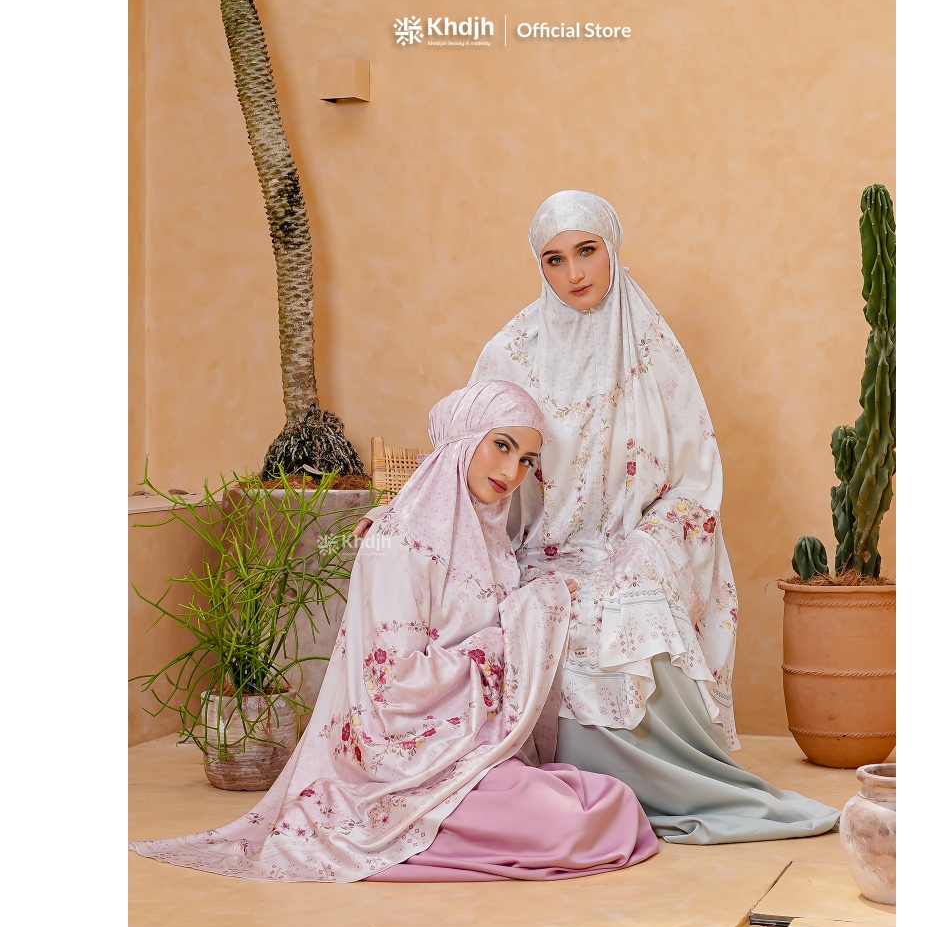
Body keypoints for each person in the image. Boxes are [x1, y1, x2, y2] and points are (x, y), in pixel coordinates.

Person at [130, 380, 658, 881]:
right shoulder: (395, 542)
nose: (512, 470)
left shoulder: (487, 537)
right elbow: (393, 683)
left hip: (463, 749)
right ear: (462, 439)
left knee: (605, 803)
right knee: (577, 823)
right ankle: (410, 832)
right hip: (400, 762)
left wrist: (534, 603)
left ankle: (466, 820)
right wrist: (526, 619)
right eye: (501, 445)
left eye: (526, 460)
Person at [469, 191, 840, 844]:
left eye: (587, 251)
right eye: (554, 259)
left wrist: (644, 544)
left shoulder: (652, 348)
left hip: (637, 542)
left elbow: (694, 480)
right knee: (553, 611)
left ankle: (675, 783)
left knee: (630, 601)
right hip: (538, 553)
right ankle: (591, 781)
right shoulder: (510, 355)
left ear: (611, 250)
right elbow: (474, 466)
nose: (574, 273)